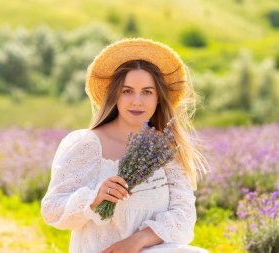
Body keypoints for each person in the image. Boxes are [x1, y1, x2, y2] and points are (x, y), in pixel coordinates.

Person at [41, 38, 210, 253]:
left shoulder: (166, 150)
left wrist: (138, 241)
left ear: (158, 98)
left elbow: (183, 215)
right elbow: (52, 211)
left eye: (147, 92)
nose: (136, 101)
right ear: (115, 96)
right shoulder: (86, 144)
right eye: (127, 91)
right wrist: (94, 198)